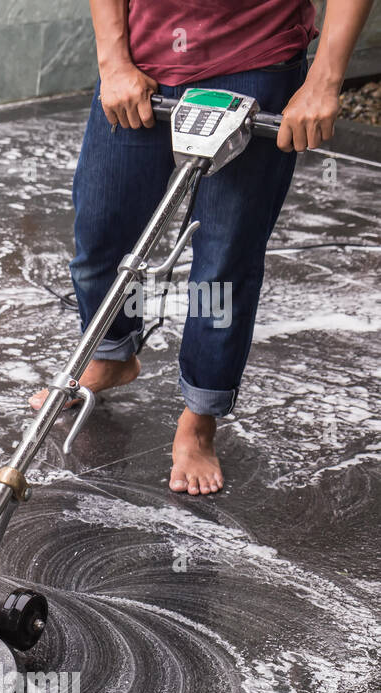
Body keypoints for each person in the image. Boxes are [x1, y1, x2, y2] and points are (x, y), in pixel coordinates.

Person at [30, 0, 375, 495]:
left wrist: (323, 81)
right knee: (100, 236)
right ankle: (110, 354)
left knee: (221, 263)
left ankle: (199, 417)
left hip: (255, 63)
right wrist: (114, 63)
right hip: (144, 58)